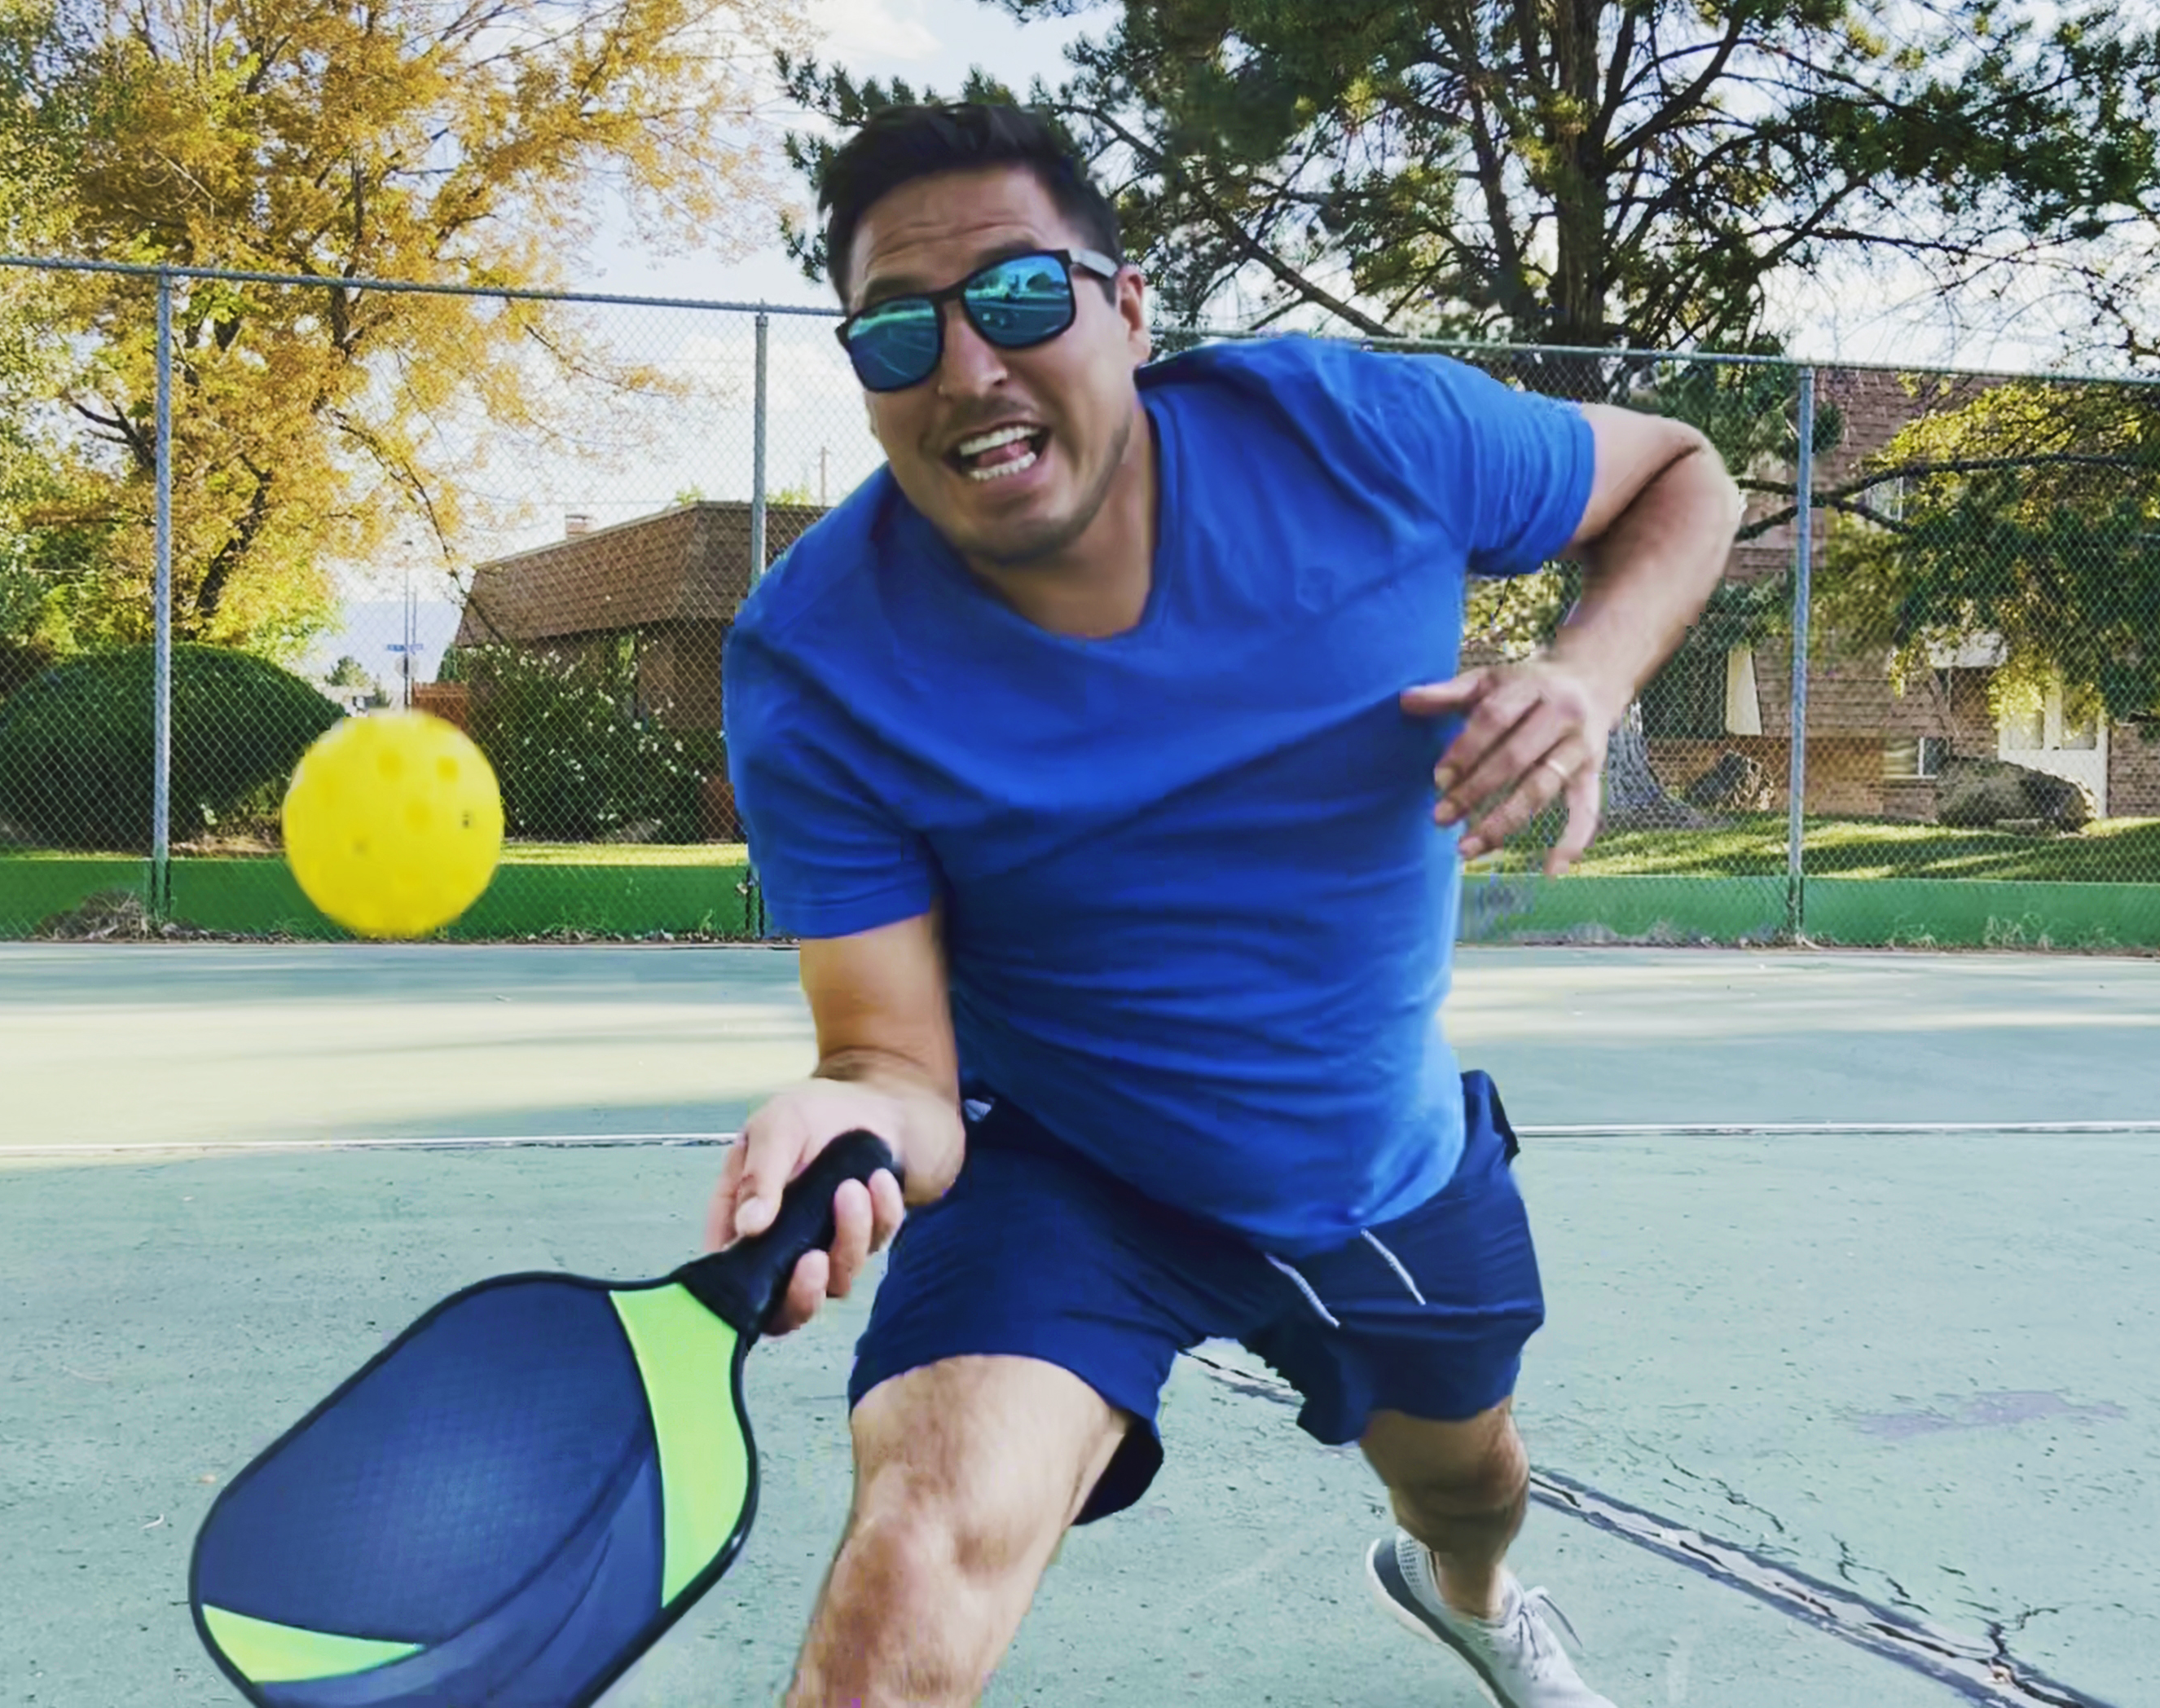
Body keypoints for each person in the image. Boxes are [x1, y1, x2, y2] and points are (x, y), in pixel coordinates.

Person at [706, 102, 1740, 1708]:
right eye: (899, 333)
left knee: (1469, 1488)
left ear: (1127, 311)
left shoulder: (1360, 435)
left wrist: (1588, 677)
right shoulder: (815, 662)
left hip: (1378, 1166)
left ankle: (1461, 1591)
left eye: (1023, 299)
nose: (968, 367)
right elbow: (896, 1068)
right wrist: (835, 1116)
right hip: (1074, 1173)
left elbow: (1685, 473)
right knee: (921, 1553)